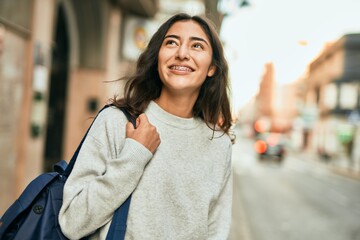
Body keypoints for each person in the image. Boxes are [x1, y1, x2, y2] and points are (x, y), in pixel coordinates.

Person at [59, 12, 234, 239]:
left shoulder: (218, 145)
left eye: (197, 46)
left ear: (212, 67)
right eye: (171, 42)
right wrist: (134, 155)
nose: (182, 54)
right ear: (158, 57)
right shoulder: (117, 122)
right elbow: (72, 222)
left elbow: (215, 233)